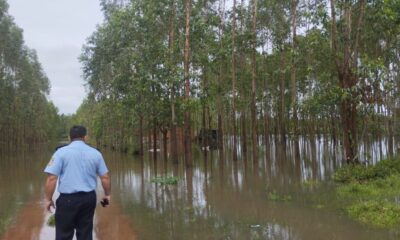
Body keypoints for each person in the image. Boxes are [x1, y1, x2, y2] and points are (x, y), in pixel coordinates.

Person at [44, 125, 111, 240]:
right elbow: (105, 177)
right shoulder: (96, 153)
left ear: (69, 138)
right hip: (88, 199)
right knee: (85, 234)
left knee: (63, 235)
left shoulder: (60, 153)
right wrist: (107, 195)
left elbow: (52, 178)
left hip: (67, 200)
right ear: (85, 137)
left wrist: (49, 199)